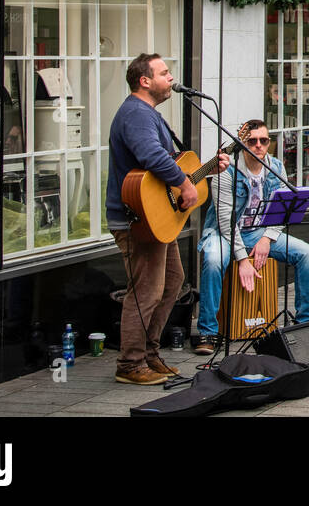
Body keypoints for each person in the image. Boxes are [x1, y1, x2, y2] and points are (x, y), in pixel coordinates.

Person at [106, 54, 231, 385]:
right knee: (145, 291)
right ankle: (130, 364)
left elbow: (168, 161)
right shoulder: (135, 113)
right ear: (145, 81)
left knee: (173, 281)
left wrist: (202, 171)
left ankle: (149, 353)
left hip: (156, 218)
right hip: (137, 219)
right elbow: (152, 156)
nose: (171, 78)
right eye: (164, 73)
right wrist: (184, 182)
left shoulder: (149, 114)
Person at [195, 120, 309, 355]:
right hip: (225, 234)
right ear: (242, 144)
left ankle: (306, 323)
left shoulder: (276, 167)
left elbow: (283, 210)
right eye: (252, 141)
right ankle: (207, 331)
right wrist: (242, 259)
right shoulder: (226, 171)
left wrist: (267, 240)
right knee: (212, 260)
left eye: (264, 141)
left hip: (260, 233)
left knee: (307, 254)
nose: (259, 146)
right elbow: (225, 221)